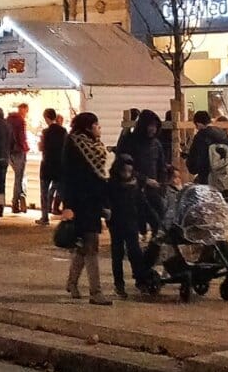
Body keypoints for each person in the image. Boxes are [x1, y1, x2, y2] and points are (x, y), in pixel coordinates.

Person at [59, 112, 111, 304]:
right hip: (81, 203)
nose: (99, 128)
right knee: (91, 246)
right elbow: (68, 177)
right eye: (96, 125)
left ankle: (72, 283)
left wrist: (105, 204)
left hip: (93, 202)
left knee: (84, 246)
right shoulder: (74, 144)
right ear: (88, 127)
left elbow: (100, 178)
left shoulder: (95, 146)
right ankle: (96, 293)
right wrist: (68, 205)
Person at [185, 111, 228, 229]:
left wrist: (192, 166)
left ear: (198, 124)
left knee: (207, 206)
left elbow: (194, 162)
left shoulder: (200, 137)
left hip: (207, 178)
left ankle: (210, 230)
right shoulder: (226, 137)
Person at [115, 110, 168, 226]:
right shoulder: (129, 141)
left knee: (160, 219)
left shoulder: (156, 144)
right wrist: (145, 180)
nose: (152, 129)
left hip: (154, 190)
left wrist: (162, 185)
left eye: (155, 126)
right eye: (150, 126)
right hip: (132, 190)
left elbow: (162, 166)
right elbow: (122, 167)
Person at [106, 153, 147, 299]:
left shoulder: (134, 185)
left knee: (134, 251)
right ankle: (119, 284)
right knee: (117, 253)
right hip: (117, 223)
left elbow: (142, 205)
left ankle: (140, 279)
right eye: (124, 171)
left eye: (129, 171)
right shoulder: (112, 184)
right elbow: (108, 202)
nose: (127, 174)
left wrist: (145, 224)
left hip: (131, 222)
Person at [38, 108, 67, 226]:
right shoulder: (63, 131)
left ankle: (44, 217)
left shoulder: (46, 132)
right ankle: (64, 215)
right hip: (59, 165)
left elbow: (42, 148)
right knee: (61, 190)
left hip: (47, 164)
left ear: (46, 118)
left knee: (44, 192)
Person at [7, 103, 30, 213]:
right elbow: (21, 136)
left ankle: (15, 202)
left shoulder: (8, 119)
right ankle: (16, 201)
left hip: (8, 151)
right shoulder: (20, 121)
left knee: (18, 177)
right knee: (20, 177)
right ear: (24, 110)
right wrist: (25, 146)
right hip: (18, 151)